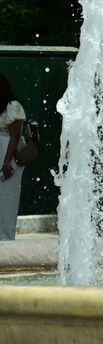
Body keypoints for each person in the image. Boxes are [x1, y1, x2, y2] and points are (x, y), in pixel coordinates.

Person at [0, 74, 29, 241]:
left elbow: (15, 136)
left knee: (7, 199)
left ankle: (5, 238)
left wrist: (6, 162)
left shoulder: (13, 106)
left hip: (7, 156)